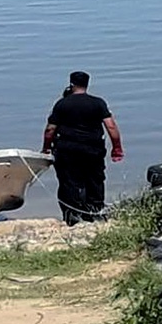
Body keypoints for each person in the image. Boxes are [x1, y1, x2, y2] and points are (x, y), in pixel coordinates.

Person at [41, 71, 124, 226]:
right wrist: (117, 148)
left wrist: (46, 148)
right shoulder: (98, 103)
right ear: (87, 84)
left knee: (69, 181)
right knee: (95, 180)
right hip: (93, 149)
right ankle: (95, 212)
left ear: (71, 85)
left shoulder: (62, 104)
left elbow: (50, 130)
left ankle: (72, 216)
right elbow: (111, 126)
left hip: (67, 149)